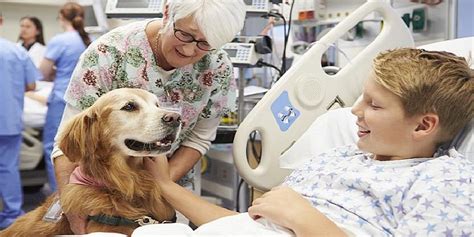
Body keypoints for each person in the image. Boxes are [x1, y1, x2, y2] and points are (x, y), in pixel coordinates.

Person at [144, 48, 473, 236]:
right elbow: (251, 224)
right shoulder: (338, 159)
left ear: (424, 126)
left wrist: (306, 219)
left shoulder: (444, 182)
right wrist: (163, 185)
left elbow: (287, 221)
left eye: (374, 105)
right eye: (361, 98)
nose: (354, 111)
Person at [50, 0, 246, 234]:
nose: (190, 50)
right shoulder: (108, 53)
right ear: (166, 12)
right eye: (185, 35)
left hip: (172, 190)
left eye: (205, 44)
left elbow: (199, 139)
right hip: (101, 193)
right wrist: (74, 213)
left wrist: (158, 186)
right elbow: (69, 143)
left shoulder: (217, 67)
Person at [40, 2, 91, 194]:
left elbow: (42, 72)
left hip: (62, 99)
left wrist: (56, 73)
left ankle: (59, 197)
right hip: (87, 102)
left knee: (57, 149)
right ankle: (81, 193)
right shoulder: (90, 40)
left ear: (61, 17)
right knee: (83, 151)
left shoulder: (60, 40)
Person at [0, 12, 42, 229]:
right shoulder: (16, 52)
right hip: (8, 120)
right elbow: (31, 86)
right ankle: (11, 215)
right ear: (2, 21)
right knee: (7, 168)